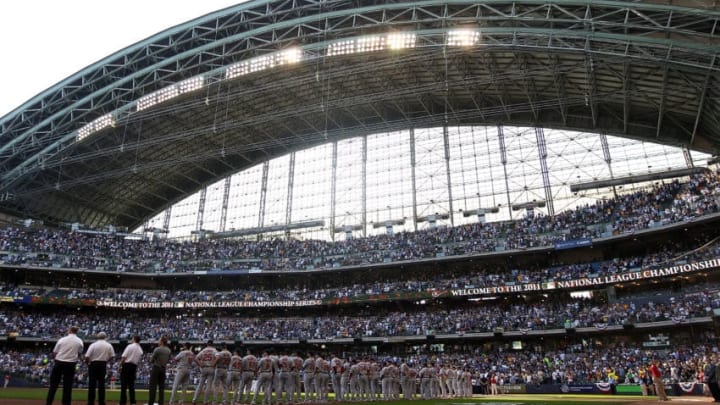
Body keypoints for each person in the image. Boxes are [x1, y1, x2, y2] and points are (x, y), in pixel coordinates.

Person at [45, 325, 84, 405]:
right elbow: (80, 353)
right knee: (68, 385)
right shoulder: (79, 341)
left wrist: (57, 359)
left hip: (59, 362)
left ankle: (49, 402)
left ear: (69, 330)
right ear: (76, 331)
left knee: (53, 385)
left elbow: (54, 352)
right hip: (71, 364)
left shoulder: (62, 339)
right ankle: (66, 403)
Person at [84, 331, 115, 405]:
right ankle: (101, 401)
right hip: (103, 364)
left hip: (93, 364)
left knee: (92, 384)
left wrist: (87, 363)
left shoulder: (93, 345)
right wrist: (106, 361)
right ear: (105, 337)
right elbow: (112, 356)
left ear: (98, 336)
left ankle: (90, 401)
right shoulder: (108, 345)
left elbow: (87, 356)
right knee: (101, 384)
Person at [148, 336, 172, 405]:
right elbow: (168, 360)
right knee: (161, 387)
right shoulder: (168, 350)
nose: (158, 341)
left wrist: (154, 360)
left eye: (159, 340)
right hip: (163, 368)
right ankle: (161, 402)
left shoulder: (157, 349)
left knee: (153, 387)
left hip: (156, 368)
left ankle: (151, 402)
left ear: (161, 342)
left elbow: (151, 360)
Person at [192, 339, 218, 405]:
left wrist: (200, 364)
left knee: (200, 385)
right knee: (208, 386)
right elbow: (218, 357)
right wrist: (214, 364)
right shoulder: (214, 350)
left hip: (204, 368)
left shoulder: (203, 350)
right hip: (211, 368)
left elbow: (196, 358)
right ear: (212, 344)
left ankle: (194, 400)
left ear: (207, 344)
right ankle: (205, 401)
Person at [120, 335, 143, 405]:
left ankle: (123, 402)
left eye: (132, 338)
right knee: (131, 386)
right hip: (134, 367)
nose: (131, 339)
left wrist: (120, 366)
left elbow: (123, 357)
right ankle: (133, 402)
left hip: (126, 365)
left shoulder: (130, 346)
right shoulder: (140, 349)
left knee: (123, 385)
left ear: (134, 339)